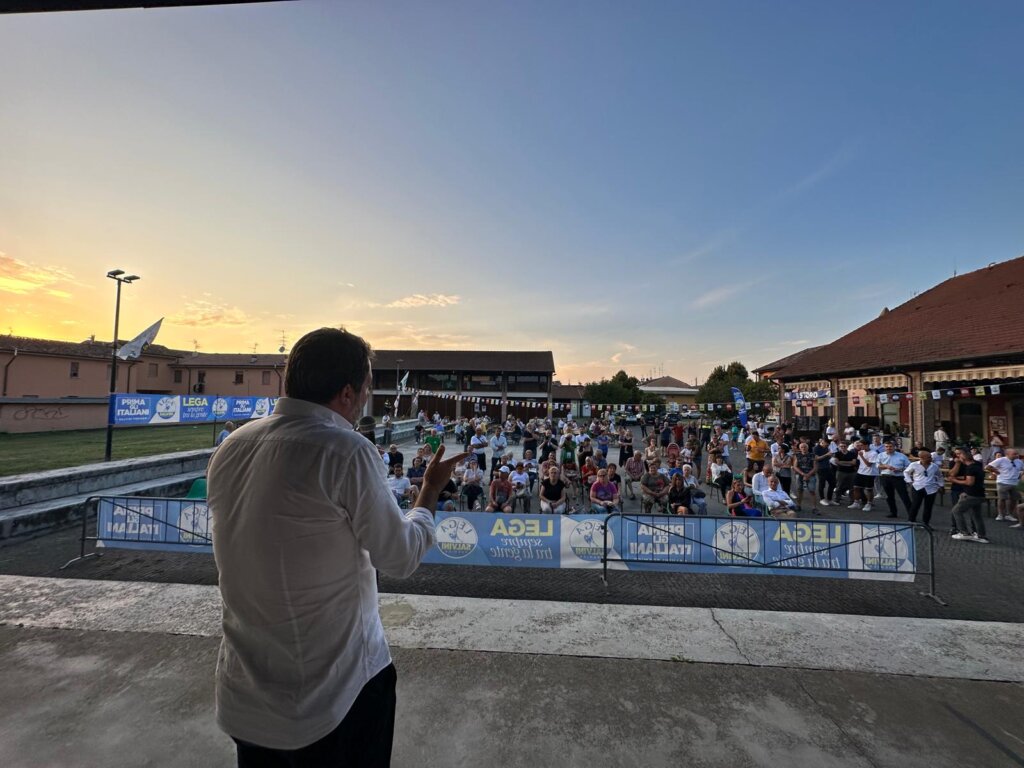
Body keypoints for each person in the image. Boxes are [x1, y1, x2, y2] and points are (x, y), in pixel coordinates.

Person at [207, 327, 467, 766]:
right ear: (348, 392)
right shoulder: (346, 450)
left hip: (244, 698)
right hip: (334, 697)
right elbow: (400, 556)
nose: (365, 400)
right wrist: (430, 491)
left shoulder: (232, 447)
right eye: (366, 389)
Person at [948, 448, 988, 543]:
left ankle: (964, 533)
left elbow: (969, 482)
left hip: (971, 494)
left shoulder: (970, 468)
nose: (958, 457)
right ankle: (981, 535)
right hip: (979, 493)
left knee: (956, 511)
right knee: (976, 515)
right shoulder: (977, 465)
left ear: (963, 458)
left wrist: (954, 480)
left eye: (959, 455)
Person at [904, 450, 943, 526]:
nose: (931, 458)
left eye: (930, 457)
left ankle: (926, 523)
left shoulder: (934, 466)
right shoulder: (914, 465)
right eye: (929, 457)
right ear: (922, 458)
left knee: (928, 507)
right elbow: (906, 472)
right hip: (917, 487)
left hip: (931, 489)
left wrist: (940, 485)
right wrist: (909, 481)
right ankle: (911, 520)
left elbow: (940, 476)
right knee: (915, 505)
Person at [877, 440, 912, 519]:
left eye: (890, 446)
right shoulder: (880, 455)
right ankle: (893, 512)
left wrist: (900, 469)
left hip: (898, 478)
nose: (888, 448)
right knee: (889, 496)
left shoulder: (902, 456)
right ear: (884, 447)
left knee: (904, 496)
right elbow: (878, 465)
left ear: (894, 447)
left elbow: (909, 467)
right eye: (886, 447)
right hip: (885, 477)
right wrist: (886, 466)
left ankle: (911, 515)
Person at [986, 448, 1023, 521]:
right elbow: (988, 467)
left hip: (1015, 483)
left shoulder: (1019, 461)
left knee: (1014, 499)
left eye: (1016, 454)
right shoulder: (1001, 460)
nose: (1016, 455)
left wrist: (1020, 475)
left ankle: (1009, 514)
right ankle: (1000, 514)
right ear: (1007, 454)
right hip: (1003, 482)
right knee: (1002, 499)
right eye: (1014, 454)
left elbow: (1022, 469)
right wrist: (996, 471)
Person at [851, 440, 877, 512]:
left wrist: (862, 456)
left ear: (867, 445)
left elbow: (869, 464)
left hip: (870, 473)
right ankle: (856, 502)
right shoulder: (860, 452)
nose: (860, 447)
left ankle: (869, 504)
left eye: (861, 445)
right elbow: (859, 462)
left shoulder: (873, 453)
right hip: (860, 472)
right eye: (859, 445)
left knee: (868, 489)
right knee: (856, 487)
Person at [792, 442, 818, 513]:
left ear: (808, 447)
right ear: (800, 448)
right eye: (802, 447)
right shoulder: (797, 455)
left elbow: (815, 467)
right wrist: (803, 474)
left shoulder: (813, 455)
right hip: (800, 475)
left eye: (805, 447)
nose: (803, 448)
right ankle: (798, 505)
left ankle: (814, 508)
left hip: (811, 475)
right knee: (799, 490)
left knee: (812, 491)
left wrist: (808, 475)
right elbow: (795, 466)